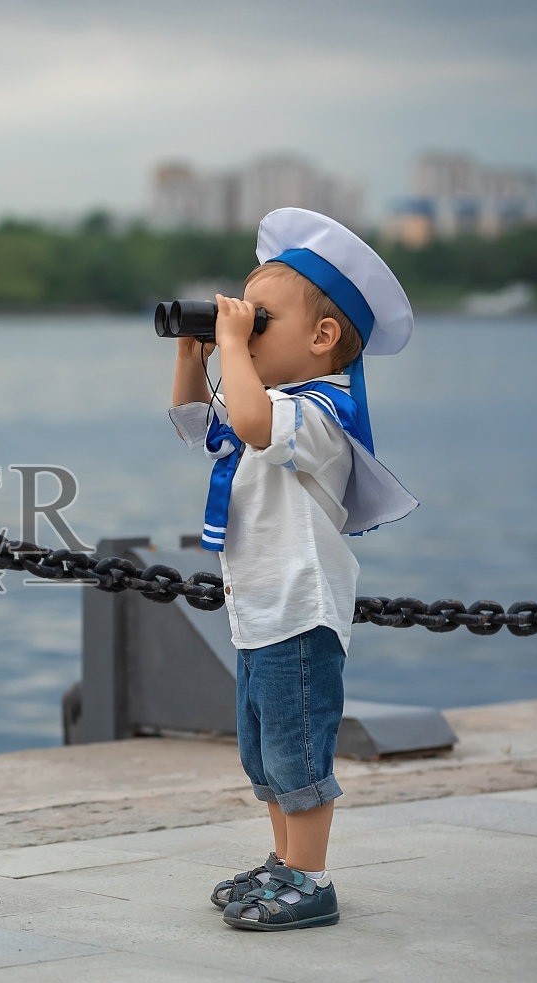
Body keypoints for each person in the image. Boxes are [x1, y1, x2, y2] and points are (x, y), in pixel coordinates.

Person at [166, 207, 418, 931]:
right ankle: (283, 862)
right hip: (260, 608)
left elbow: (248, 424)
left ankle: (311, 878)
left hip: (300, 611)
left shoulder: (318, 414)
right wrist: (195, 352)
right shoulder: (272, 401)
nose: (241, 330)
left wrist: (233, 350)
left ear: (323, 337)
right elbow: (196, 424)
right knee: (265, 751)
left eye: (260, 321)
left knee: (298, 749)